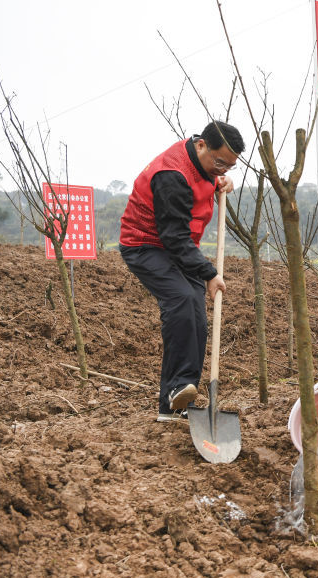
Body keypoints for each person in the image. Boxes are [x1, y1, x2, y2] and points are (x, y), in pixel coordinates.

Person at [119, 121, 244, 422]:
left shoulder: (203, 163)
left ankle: (174, 401)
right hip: (146, 245)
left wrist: (221, 182)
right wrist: (210, 273)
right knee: (182, 301)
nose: (222, 169)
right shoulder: (171, 175)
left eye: (229, 166)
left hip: (180, 247)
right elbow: (173, 236)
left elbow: (206, 177)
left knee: (197, 320)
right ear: (201, 144)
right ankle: (176, 390)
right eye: (219, 163)